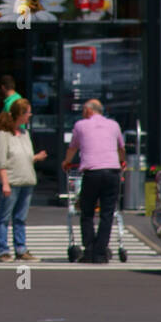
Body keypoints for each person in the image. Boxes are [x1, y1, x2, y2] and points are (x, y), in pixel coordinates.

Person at [62, 99, 127, 264]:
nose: (83, 113)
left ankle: (90, 250)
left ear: (89, 111)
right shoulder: (114, 125)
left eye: (84, 110)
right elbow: (121, 148)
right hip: (112, 172)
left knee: (87, 212)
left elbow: (73, 148)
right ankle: (100, 252)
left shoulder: (80, 125)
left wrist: (66, 162)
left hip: (92, 173)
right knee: (107, 214)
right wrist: (122, 161)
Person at [0, 98, 46, 262]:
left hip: (26, 181)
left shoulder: (24, 134)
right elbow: (0, 162)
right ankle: (3, 251)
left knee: (20, 218)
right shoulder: (3, 135)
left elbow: (25, 157)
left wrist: (36, 158)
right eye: (28, 112)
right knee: (4, 217)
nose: (30, 115)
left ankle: (21, 249)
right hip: (12, 182)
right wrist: (5, 183)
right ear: (20, 114)